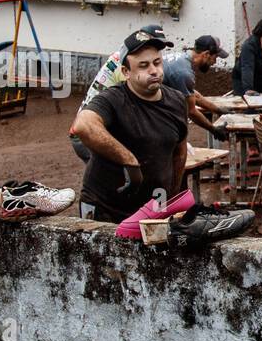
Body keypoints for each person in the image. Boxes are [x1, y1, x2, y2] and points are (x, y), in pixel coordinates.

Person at [72, 28, 188, 223]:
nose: (153, 70)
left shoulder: (176, 101)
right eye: (143, 66)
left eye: (157, 63)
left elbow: (179, 154)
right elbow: (83, 125)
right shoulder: (114, 99)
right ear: (126, 72)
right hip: (106, 209)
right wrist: (128, 160)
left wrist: (169, 200)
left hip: (151, 210)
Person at [70, 26, 224, 160]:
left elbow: (190, 94)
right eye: (153, 48)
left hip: (100, 129)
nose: (155, 65)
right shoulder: (127, 68)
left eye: (158, 56)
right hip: (90, 134)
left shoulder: (134, 63)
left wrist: (217, 109)